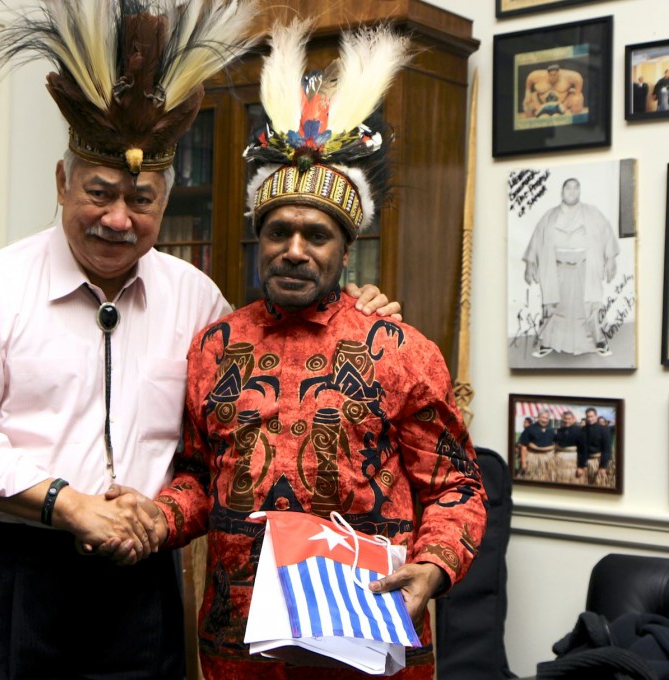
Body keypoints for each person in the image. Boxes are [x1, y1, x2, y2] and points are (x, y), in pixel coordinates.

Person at [0, 3, 399, 678]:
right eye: (99, 192)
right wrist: (68, 504)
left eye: (140, 199)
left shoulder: (196, 300)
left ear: (165, 201)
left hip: (139, 578)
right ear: (62, 183)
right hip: (10, 575)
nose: (118, 217)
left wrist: (353, 313)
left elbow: (272, 371)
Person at [127, 22, 488, 680]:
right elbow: (200, 482)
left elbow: (458, 490)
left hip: (368, 641)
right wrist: (153, 519)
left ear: (345, 249)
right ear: (259, 239)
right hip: (240, 647)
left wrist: (433, 568)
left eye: (316, 235)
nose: (295, 249)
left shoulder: (401, 351)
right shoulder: (214, 348)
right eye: (280, 231)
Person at [522, 178, 620, 358]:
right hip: (557, 269)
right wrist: (530, 263)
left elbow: (607, 234)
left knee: (588, 305)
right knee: (554, 305)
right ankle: (548, 342)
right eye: (568, 187)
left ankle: (598, 341)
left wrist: (611, 258)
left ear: (580, 191)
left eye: (576, 188)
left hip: (585, 267)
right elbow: (537, 239)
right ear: (562, 191)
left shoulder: (592, 213)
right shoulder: (550, 216)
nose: (572, 191)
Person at [577, 407, 612, 480]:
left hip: (598, 463)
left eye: (591, 416)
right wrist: (580, 466)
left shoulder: (604, 430)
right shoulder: (583, 430)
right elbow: (580, 450)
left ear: (596, 416)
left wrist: (603, 467)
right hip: (585, 464)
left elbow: (607, 450)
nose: (590, 419)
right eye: (588, 417)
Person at [517, 410, 556, 475]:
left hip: (548, 459)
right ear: (538, 417)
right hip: (533, 459)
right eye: (542, 417)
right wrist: (524, 462)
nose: (544, 420)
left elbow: (555, 445)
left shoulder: (551, 430)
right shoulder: (529, 429)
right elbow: (523, 446)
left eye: (546, 418)